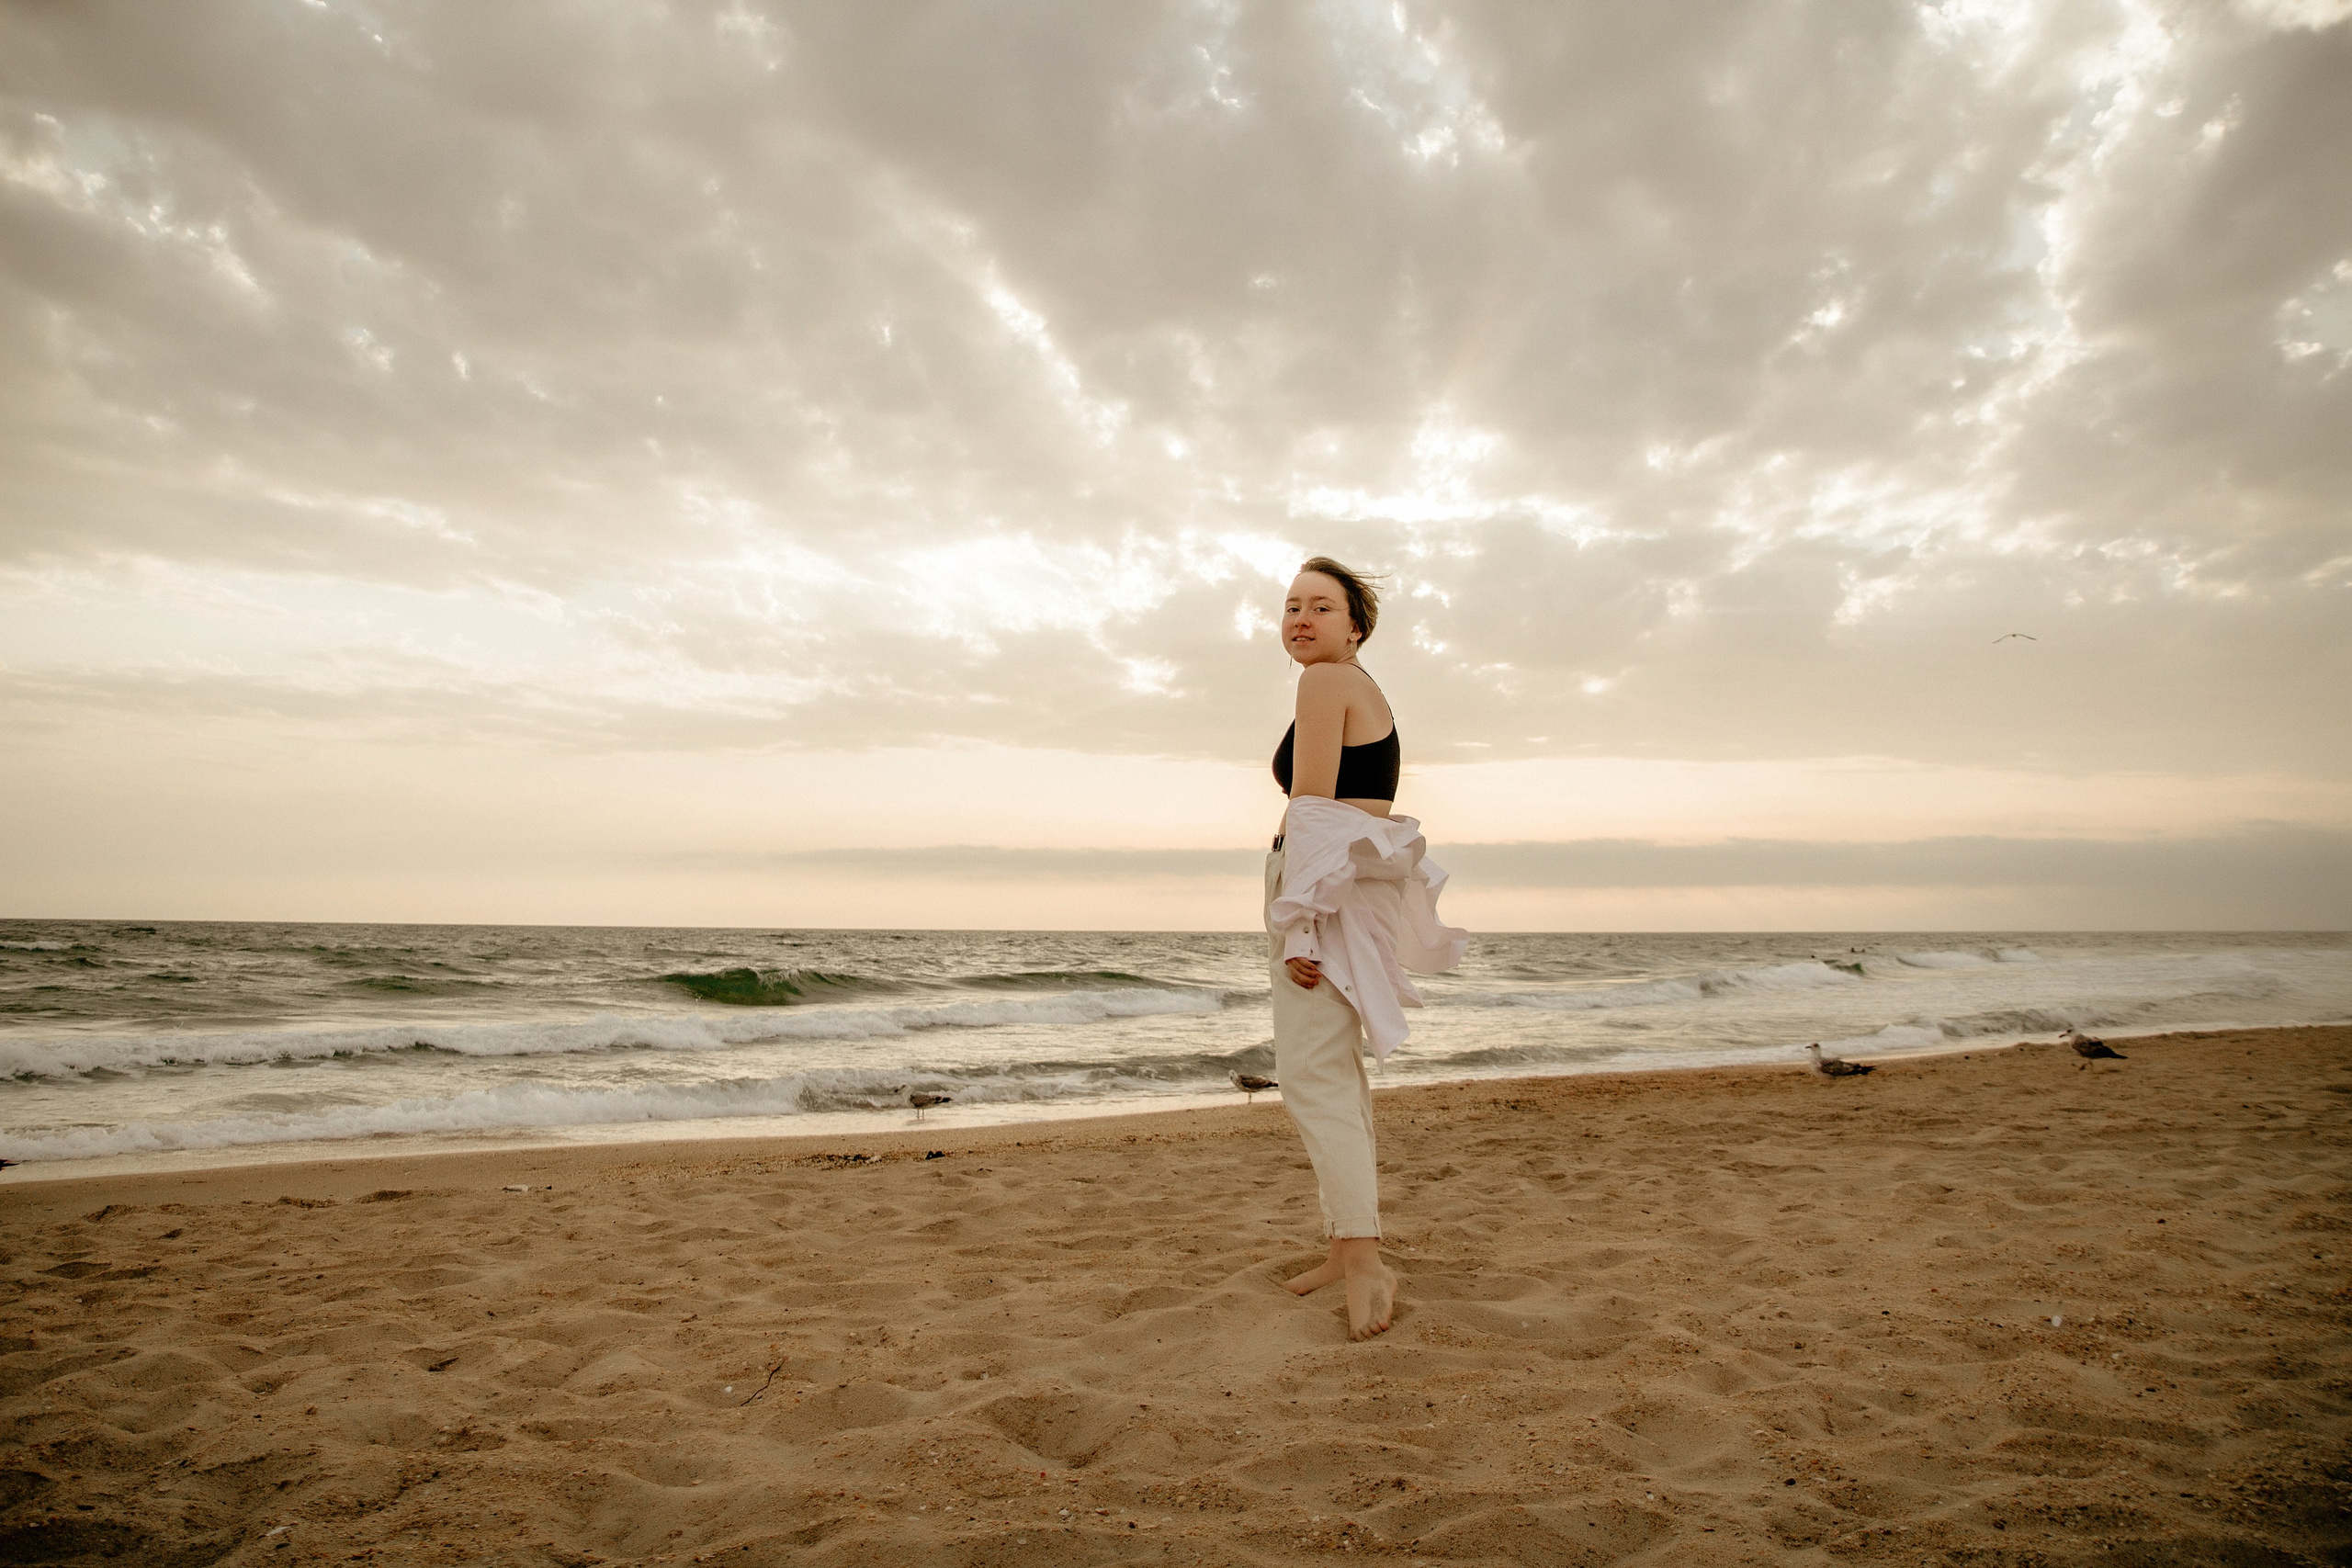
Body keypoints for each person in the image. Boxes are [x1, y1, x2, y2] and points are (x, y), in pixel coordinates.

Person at [1263, 557, 1466, 1340]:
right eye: (1291, 606)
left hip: (1322, 887)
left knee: (1311, 1074)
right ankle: (1349, 1246)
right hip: (1343, 882)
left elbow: (1312, 810)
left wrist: (1300, 926)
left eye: (1322, 606)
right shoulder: (1360, 686)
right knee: (1334, 1073)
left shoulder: (1323, 683)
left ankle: (1366, 1260)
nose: (1302, 619)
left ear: (1356, 625)